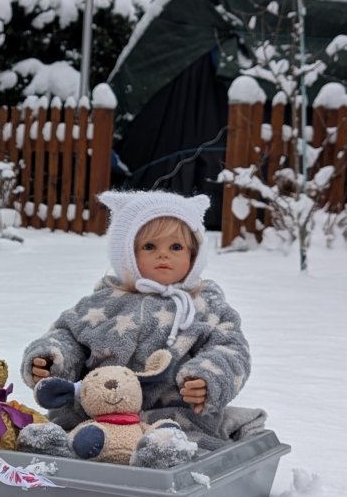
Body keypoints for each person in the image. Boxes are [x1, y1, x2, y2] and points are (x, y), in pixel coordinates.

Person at [19, 190, 261, 455]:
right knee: (63, 436)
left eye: (176, 247)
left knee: (185, 449)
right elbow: (68, 335)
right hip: (94, 416)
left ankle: (161, 460)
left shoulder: (207, 308)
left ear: (194, 254)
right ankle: (51, 458)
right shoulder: (101, 303)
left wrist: (208, 379)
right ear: (127, 253)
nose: (163, 255)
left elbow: (231, 349)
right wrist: (52, 360)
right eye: (149, 246)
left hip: (173, 420)